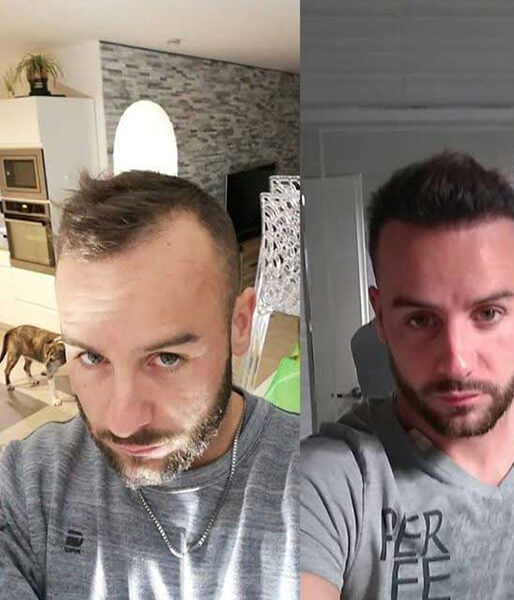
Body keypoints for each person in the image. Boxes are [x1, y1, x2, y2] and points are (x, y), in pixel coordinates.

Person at [300, 152, 514, 599]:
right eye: (421, 320)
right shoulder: (330, 482)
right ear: (381, 317)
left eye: (488, 313)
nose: (457, 363)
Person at [0, 171, 298, 598]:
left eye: (167, 358)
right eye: (92, 357)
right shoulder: (29, 486)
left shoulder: (315, 486)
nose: (122, 423)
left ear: (239, 325)